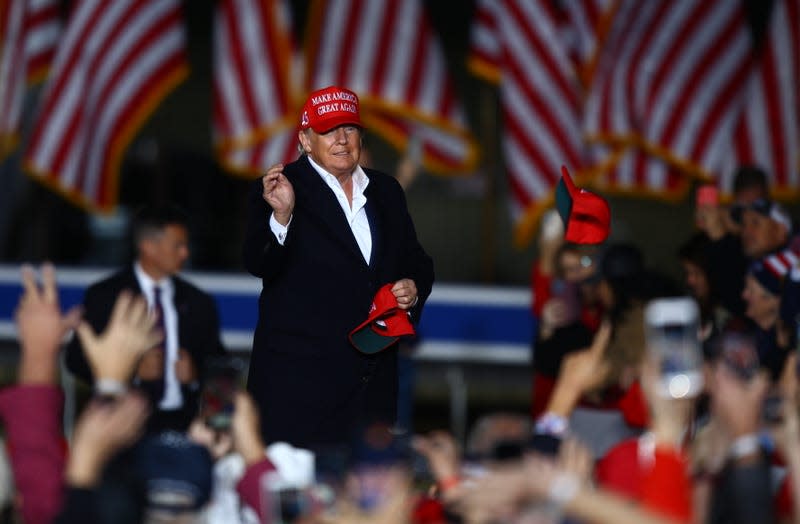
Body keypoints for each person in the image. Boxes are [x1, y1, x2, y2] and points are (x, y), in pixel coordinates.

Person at [242, 85, 434, 450]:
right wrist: (282, 217)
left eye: (349, 129)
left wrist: (412, 288)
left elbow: (419, 263)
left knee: (368, 503)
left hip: (372, 392)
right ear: (305, 140)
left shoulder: (386, 192)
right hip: (299, 394)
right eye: (329, 130)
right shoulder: (279, 188)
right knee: (299, 503)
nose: (342, 140)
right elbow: (258, 263)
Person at [65, 203, 225, 433]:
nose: (185, 253)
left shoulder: (198, 301)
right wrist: (127, 372)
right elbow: (76, 359)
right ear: (148, 247)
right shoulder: (106, 296)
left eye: (186, 245)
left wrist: (196, 376)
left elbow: (220, 364)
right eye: (177, 246)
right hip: (123, 426)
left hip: (183, 427)